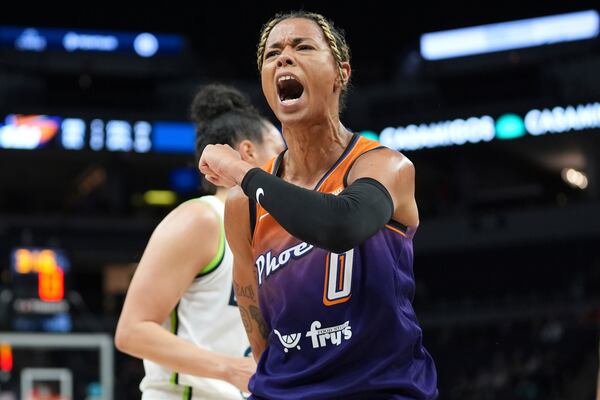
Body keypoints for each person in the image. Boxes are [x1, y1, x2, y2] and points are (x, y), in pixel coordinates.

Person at [199, 11, 438, 400]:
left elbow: (341, 226)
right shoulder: (244, 204)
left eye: (303, 47)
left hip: (377, 389)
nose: (284, 58)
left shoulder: (381, 166)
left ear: (341, 73)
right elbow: (254, 314)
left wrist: (244, 172)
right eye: (272, 53)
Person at [115, 84, 285, 400]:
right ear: (249, 153)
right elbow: (132, 331)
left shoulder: (273, 234)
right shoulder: (202, 218)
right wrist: (231, 368)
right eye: (279, 150)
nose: (287, 164)